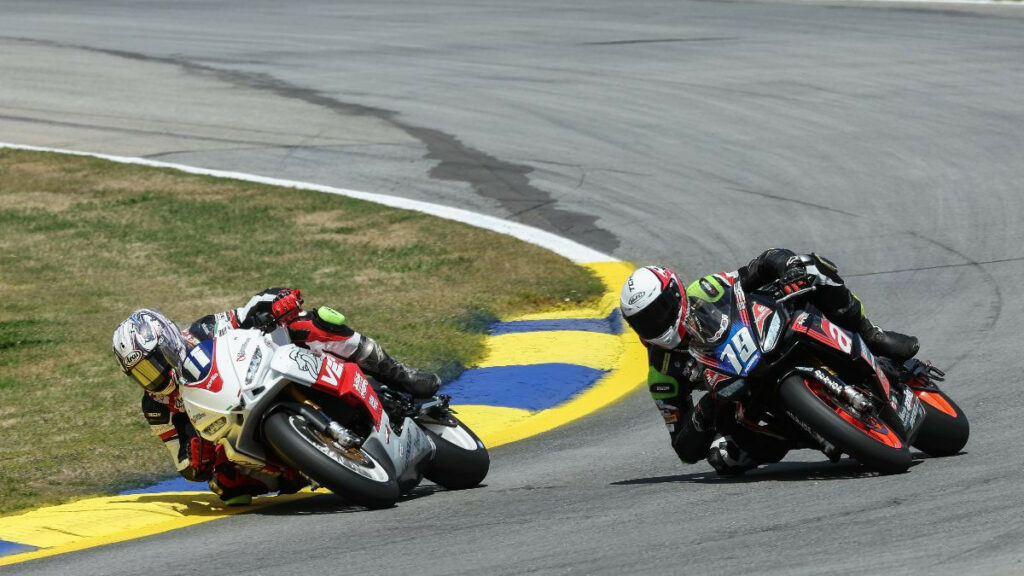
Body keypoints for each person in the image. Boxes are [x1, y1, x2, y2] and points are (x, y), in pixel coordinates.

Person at [111, 288, 441, 505]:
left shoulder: (201, 332)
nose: (154, 377)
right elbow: (182, 464)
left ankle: (400, 374)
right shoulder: (155, 407)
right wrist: (195, 454)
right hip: (233, 431)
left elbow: (245, 314)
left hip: (263, 373)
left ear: (169, 341)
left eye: (156, 364)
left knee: (313, 324)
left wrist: (275, 301)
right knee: (226, 486)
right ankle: (303, 466)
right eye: (142, 373)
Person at [619, 249, 920, 475]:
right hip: (745, 398)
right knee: (724, 458)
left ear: (676, 294)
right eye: (644, 323)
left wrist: (788, 268)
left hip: (767, 335)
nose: (655, 325)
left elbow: (760, 266)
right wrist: (707, 409)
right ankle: (812, 433)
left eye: (658, 313)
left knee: (810, 265)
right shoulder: (662, 374)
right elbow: (684, 449)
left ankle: (871, 334)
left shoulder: (706, 290)